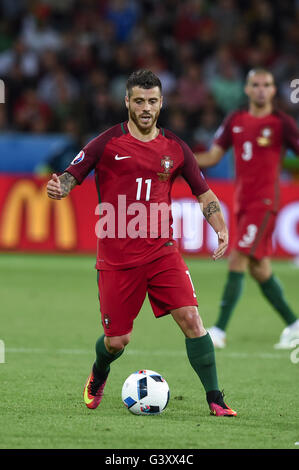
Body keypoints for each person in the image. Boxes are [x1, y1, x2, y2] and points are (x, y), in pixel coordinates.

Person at [47, 69, 236, 417]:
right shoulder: (106, 142)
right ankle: (100, 371)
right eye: (139, 101)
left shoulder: (175, 148)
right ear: (127, 103)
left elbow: (204, 192)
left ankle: (215, 398)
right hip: (117, 257)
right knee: (117, 341)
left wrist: (220, 226)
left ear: (161, 103)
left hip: (162, 251)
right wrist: (61, 187)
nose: (146, 107)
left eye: (152, 101)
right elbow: (73, 175)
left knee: (192, 319)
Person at [195, 68, 299, 349]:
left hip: (265, 203)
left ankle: (219, 330)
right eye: (256, 84)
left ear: (274, 90)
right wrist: (180, 160)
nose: (262, 89)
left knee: (238, 258)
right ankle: (294, 324)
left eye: (267, 84)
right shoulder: (235, 120)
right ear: (247, 89)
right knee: (258, 267)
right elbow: (214, 155)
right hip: (242, 202)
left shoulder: (282, 123)